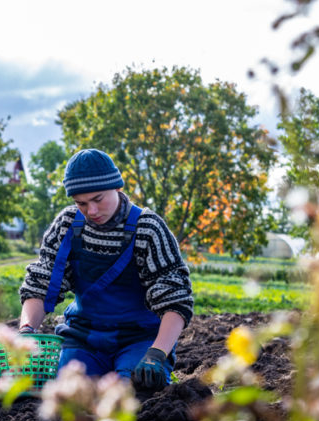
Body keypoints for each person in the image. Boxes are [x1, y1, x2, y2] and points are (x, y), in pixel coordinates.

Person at [17, 149, 194, 392]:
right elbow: (40, 284)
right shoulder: (68, 226)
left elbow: (175, 299)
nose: (91, 211)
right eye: (81, 203)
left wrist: (157, 353)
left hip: (139, 340)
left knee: (128, 394)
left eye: (98, 199)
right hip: (84, 338)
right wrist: (27, 330)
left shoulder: (148, 229)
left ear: (117, 187)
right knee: (66, 393)